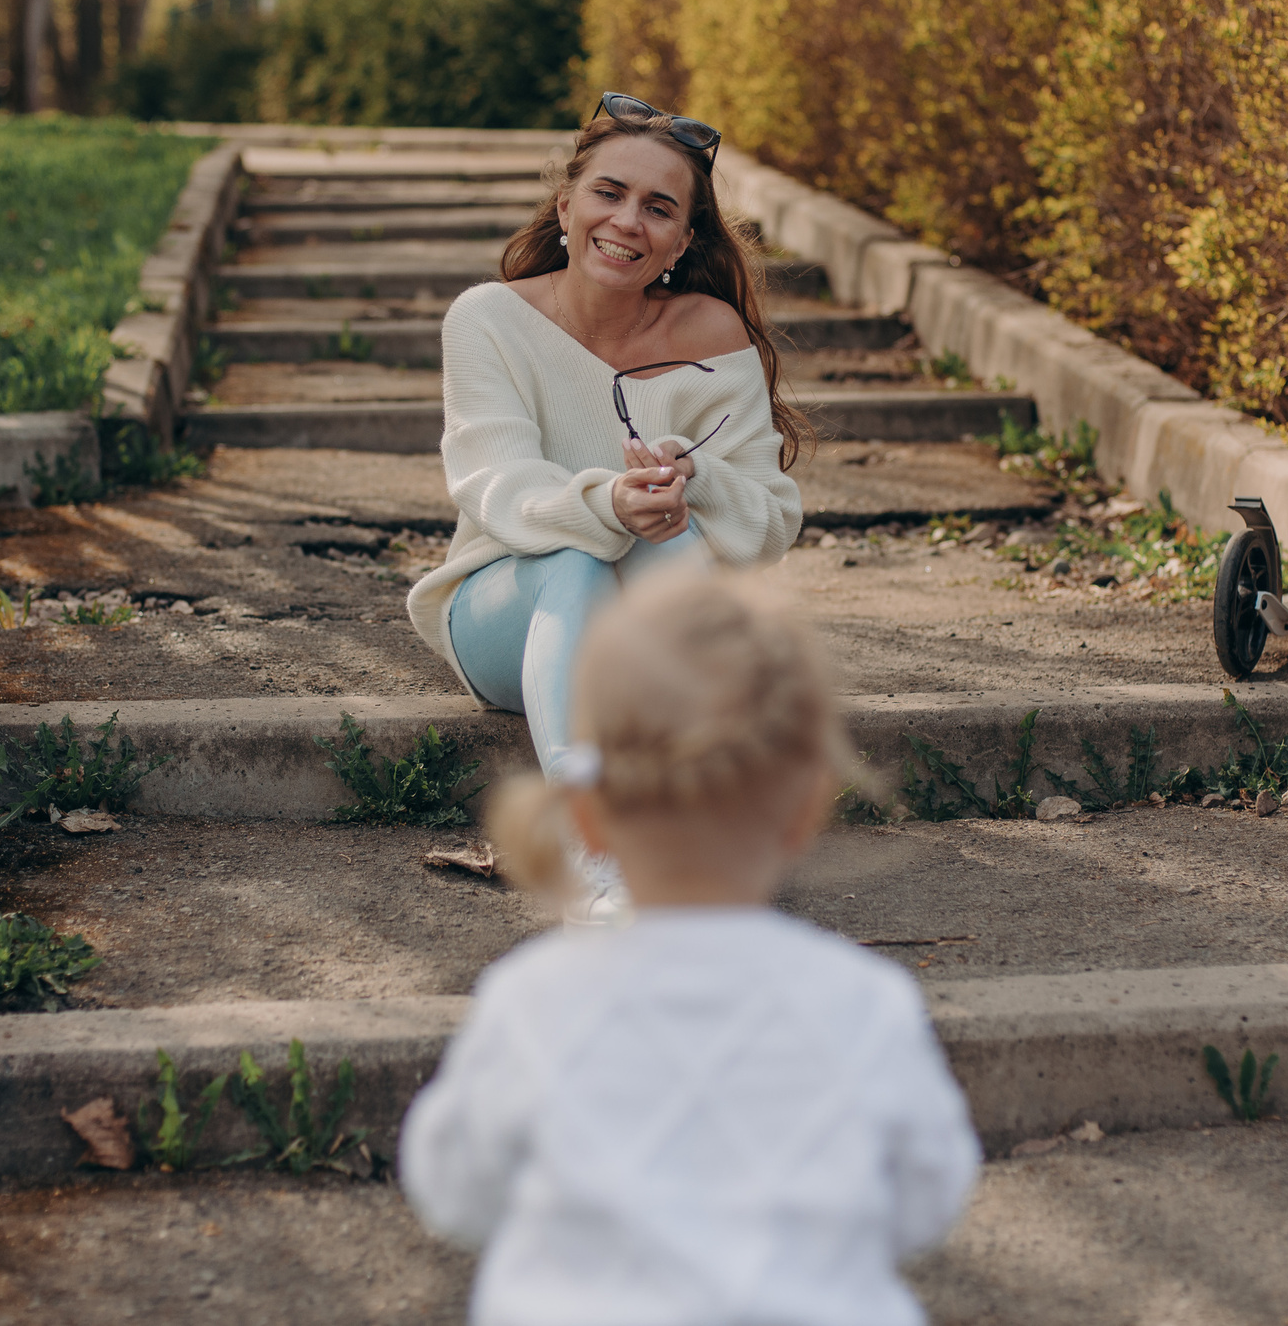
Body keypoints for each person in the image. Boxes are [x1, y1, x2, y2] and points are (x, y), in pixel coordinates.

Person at [400, 572, 981, 1326]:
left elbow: (452, 1187)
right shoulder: (866, 1003)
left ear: (586, 817)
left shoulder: (531, 1000)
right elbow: (929, 1195)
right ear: (807, 810)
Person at [406, 92, 807, 918]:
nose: (628, 221)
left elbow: (769, 522)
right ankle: (593, 848)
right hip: (506, 610)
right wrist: (608, 502)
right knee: (581, 552)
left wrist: (689, 480)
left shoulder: (713, 335)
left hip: (647, 630)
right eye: (609, 193)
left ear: (682, 240)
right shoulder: (489, 320)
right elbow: (499, 485)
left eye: (658, 207)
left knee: (667, 534)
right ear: (566, 206)